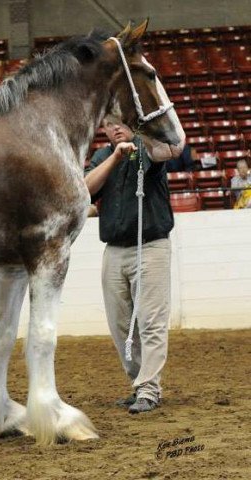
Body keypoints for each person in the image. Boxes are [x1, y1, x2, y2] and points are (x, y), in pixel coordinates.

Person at [85, 117, 175, 414]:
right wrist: (114, 156)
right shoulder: (101, 156)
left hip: (150, 245)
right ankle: (140, 384)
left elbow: (164, 152)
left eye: (121, 122)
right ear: (104, 129)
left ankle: (149, 388)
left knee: (151, 322)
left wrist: (136, 143)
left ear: (132, 125)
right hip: (115, 249)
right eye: (109, 124)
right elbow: (86, 188)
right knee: (121, 325)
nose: (115, 128)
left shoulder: (146, 147)